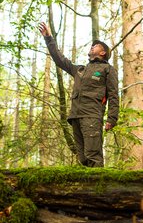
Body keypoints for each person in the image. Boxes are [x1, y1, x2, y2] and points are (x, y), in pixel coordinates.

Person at [38, 22, 119, 167]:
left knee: (93, 155)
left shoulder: (108, 69)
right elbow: (60, 60)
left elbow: (113, 95)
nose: (93, 46)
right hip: (75, 116)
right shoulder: (80, 70)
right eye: (92, 45)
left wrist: (112, 118)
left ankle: (98, 187)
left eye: (97, 45)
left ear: (103, 53)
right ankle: (86, 188)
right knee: (82, 158)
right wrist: (49, 38)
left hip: (92, 115)